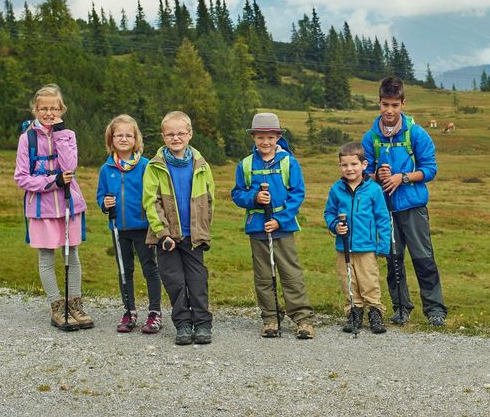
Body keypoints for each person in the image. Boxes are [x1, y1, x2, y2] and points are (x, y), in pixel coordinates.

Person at [362, 76, 447, 327]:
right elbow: (364, 172)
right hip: (385, 209)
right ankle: (401, 308)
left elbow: (430, 169)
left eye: (394, 105)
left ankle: (435, 309)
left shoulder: (416, 134)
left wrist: (403, 177)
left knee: (423, 258)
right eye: (385, 105)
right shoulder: (371, 138)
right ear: (379, 103)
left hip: (413, 206)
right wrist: (377, 176)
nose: (389, 110)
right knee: (393, 259)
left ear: (403, 104)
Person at [13, 83, 94, 331]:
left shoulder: (68, 135)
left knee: (73, 255)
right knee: (46, 257)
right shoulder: (27, 139)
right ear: (35, 110)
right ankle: (57, 307)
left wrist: (59, 134)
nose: (49, 113)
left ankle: (75, 305)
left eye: (54, 108)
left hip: (69, 204)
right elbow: (21, 178)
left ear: (61, 109)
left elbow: (70, 166)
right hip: (41, 209)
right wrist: (52, 181)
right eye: (44, 109)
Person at [231, 112, 315, 339]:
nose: (265, 142)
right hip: (258, 228)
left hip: (283, 228)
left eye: (270, 137)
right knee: (263, 276)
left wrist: (280, 220)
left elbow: (297, 194)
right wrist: (254, 198)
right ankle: (270, 318)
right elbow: (237, 194)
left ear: (278, 137)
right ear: (253, 137)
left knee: (290, 274)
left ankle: (303, 319)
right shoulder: (246, 165)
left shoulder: (289, 162)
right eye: (260, 137)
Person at [142, 111, 216, 346]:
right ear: (163, 136)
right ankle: (183, 323)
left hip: (193, 236)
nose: (176, 138)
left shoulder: (201, 165)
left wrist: (203, 229)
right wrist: (162, 233)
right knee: (174, 281)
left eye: (181, 133)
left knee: (197, 280)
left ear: (190, 134)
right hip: (167, 238)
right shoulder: (155, 166)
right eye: (170, 134)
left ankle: (202, 323)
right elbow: (151, 202)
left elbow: (209, 199)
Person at [96, 114, 162, 334]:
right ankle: (129, 311)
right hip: (119, 228)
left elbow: (155, 195)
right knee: (125, 270)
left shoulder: (145, 166)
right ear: (111, 139)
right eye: (118, 135)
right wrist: (104, 203)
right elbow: (101, 196)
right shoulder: (107, 169)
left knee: (150, 268)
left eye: (128, 135)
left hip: (143, 228)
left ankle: (155, 312)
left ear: (136, 139)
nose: (123, 139)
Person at [324, 141, 392, 335]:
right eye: (344, 165)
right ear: (340, 166)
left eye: (354, 164)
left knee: (369, 281)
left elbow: (382, 218)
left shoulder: (374, 190)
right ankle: (354, 312)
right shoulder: (336, 189)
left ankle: (375, 312)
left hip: (367, 246)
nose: (349, 169)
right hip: (344, 246)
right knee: (349, 281)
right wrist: (335, 225)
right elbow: (329, 213)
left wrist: (383, 244)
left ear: (364, 165)